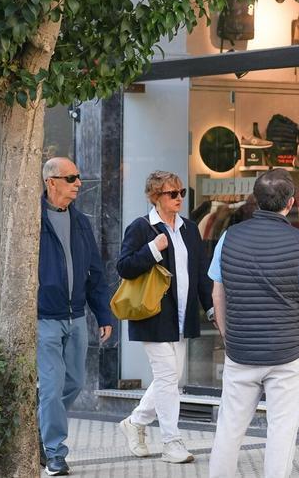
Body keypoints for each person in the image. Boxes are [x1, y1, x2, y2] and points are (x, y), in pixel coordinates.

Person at [208, 169, 299, 478]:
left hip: (240, 351)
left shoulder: (228, 237)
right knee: (282, 432)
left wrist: (227, 335)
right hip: (289, 352)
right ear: (290, 203)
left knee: (229, 428)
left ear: (256, 200)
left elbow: (217, 293)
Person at [116, 171, 213, 464]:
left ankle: (135, 422)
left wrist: (210, 308)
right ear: (155, 196)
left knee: (170, 379)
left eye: (181, 192)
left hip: (182, 316)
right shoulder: (141, 228)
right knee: (168, 378)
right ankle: (172, 442)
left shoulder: (190, 229)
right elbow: (124, 267)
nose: (179, 198)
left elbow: (200, 273)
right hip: (153, 315)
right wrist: (152, 249)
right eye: (172, 194)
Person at [37, 157, 114, 476]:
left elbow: (95, 272)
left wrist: (104, 314)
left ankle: (41, 420)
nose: (79, 183)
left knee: (75, 382)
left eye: (79, 177)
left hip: (77, 316)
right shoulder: (34, 219)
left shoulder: (80, 221)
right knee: (52, 386)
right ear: (51, 182)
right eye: (71, 178)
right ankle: (55, 452)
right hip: (44, 317)